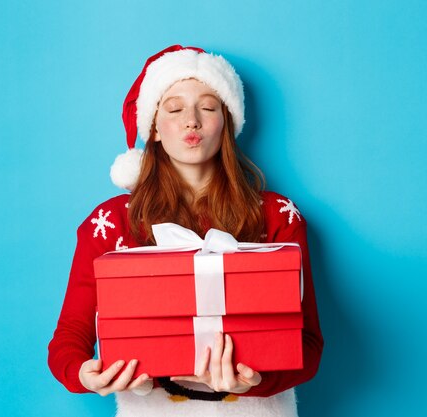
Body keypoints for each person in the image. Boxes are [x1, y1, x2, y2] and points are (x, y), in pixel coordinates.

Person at [48, 45, 323, 417]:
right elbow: (69, 337)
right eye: (174, 109)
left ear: (227, 123)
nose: (191, 121)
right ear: (154, 128)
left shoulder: (277, 216)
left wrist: (257, 382)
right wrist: (85, 375)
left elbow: (307, 344)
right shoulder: (111, 223)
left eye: (208, 107)